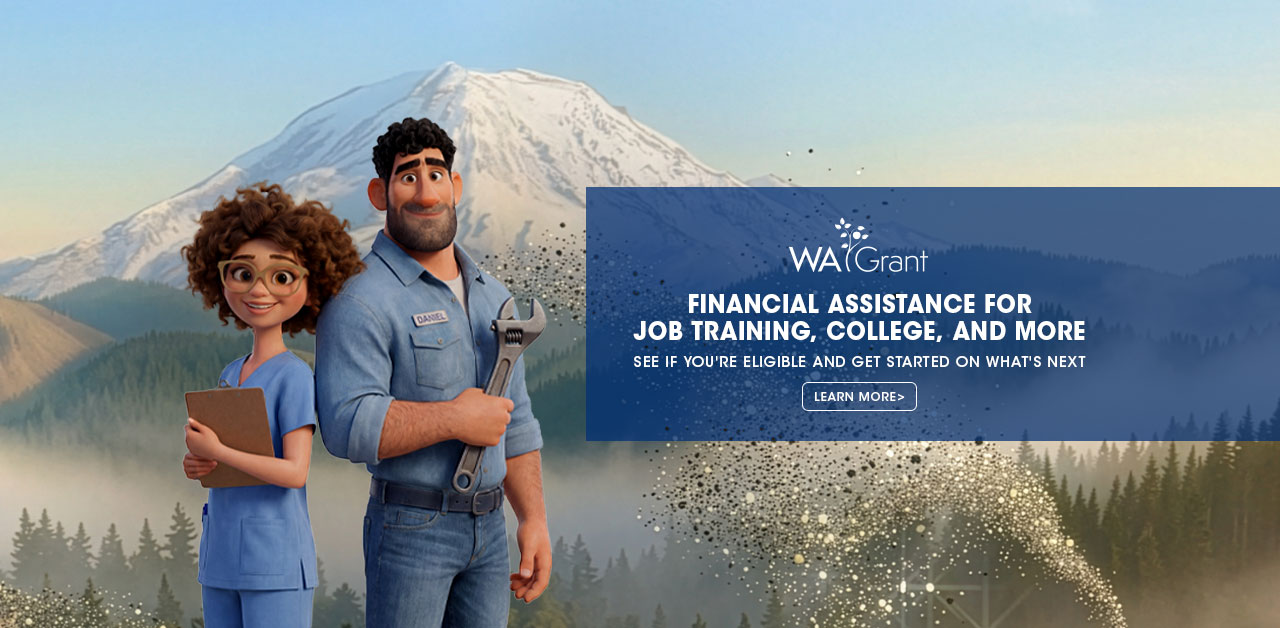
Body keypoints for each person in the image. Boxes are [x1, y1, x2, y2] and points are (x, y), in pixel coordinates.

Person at [315, 117, 551, 627]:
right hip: (409, 530)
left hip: (490, 531)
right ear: (380, 193)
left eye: (437, 174)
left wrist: (532, 518)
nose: (425, 192)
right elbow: (345, 425)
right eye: (407, 177)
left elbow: (519, 421)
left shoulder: (495, 296)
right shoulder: (359, 300)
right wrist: (453, 419)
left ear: (456, 186)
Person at [180, 182, 363, 627]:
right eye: (242, 273)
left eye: (281, 277)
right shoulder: (230, 372)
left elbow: (294, 472)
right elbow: (231, 462)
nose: (259, 290)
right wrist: (200, 463)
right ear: (219, 277)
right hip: (221, 555)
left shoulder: (295, 376)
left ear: (310, 283)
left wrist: (221, 453)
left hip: (275, 560)